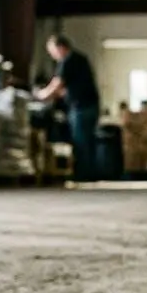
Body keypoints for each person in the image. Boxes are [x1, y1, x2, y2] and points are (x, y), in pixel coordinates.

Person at [36, 34, 101, 184]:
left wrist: (40, 95)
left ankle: (84, 176)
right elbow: (69, 87)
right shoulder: (80, 59)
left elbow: (56, 85)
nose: (52, 56)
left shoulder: (68, 61)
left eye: (52, 51)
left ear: (60, 48)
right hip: (89, 106)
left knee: (81, 142)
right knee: (88, 141)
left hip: (81, 108)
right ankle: (90, 174)